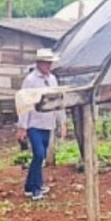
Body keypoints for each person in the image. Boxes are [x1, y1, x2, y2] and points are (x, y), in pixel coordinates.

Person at [16, 48, 66, 200]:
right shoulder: (30, 80)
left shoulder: (52, 79)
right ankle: (36, 187)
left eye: (49, 62)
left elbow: (57, 102)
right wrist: (23, 126)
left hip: (48, 122)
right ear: (39, 63)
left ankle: (30, 186)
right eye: (45, 62)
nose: (48, 65)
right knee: (38, 154)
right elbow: (25, 104)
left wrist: (61, 122)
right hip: (34, 123)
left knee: (41, 155)